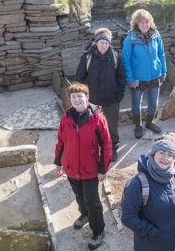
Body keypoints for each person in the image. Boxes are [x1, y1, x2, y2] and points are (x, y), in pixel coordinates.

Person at [53, 83, 112, 250]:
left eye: (80, 96)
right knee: (79, 195)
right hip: (71, 166)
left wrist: (102, 169)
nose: (77, 99)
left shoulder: (98, 119)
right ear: (70, 100)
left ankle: (98, 231)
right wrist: (58, 162)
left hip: (90, 169)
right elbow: (61, 141)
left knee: (92, 201)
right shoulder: (66, 118)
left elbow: (106, 146)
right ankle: (84, 215)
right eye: (73, 97)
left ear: (87, 97)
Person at [121, 139, 175, 250]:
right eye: (162, 153)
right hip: (151, 245)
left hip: (174, 243)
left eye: (170, 155)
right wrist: (152, 233)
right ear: (153, 153)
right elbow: (127, 217)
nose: (166, 158)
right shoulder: (138, 184)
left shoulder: (174, 175)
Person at [75, 28, 126, 161]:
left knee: (111, 126)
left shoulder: (115, 57)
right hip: (93, 100)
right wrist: (85, 97)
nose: (104, 45)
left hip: (111, 100)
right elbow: (80, 78)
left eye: (106, 43)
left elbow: (121, 78)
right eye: (101, 42)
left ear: (109, 43)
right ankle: (95, 147)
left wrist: (119, 96)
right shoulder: (87, 57)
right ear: (96, 43)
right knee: (93, 125)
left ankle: (113, 148)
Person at [122, 9, 167, 138]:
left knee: (154, 102)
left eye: (147, 22)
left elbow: (161, 54)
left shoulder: (156, 35)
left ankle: (149, 123)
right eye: (141, 22)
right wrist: (130, 79)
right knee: (136, 103)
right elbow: (126, 60)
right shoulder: (130, 39)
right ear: (136, 24)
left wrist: (163, 71)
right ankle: (138, 126)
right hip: (137, 78)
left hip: (154, 75)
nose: (145, 25)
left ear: (150, 23)